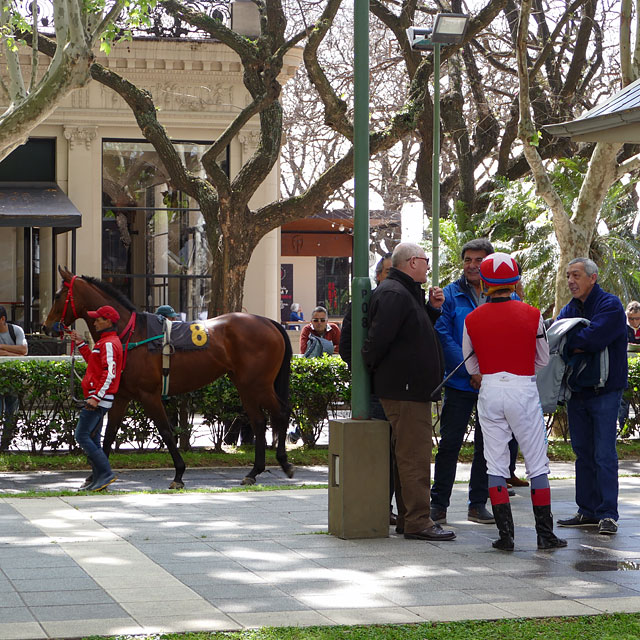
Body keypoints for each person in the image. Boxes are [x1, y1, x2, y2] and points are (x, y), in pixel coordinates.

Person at [462, 252, 566, 551]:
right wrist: (520, 371)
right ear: (515, 282)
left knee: (494, 463)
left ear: (484, 283)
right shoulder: (533, 315)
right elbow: (543, 358)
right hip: (522, 388)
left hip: (490, 389)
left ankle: (506, 536)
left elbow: (471, 366)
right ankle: (545, 535)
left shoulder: (472, 318)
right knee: (536, 463)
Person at [362, 242, 455, 541]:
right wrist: (373, 366)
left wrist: (432, 310)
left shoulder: (404, 293)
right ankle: (418, 520)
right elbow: (379, 340)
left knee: (409, 455)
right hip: (406, 391)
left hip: (409, 389)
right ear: (412, 262)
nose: (428, 266)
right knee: (414, 457)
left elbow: (409, 334)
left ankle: (409, 518)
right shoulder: (394, 293)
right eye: (425, 261)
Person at [555, 258, 627, 535]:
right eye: (568, 276)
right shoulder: (570, 308)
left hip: (606, 392)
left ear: (592, 278)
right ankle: (586, 510)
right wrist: (575, 342)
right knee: (582, 453)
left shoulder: (610, 305)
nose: (571, 280)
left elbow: (594, 339)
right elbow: (558, 339)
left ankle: (608, 513)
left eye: (576, 275)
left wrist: (575, 341)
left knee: (604, 453)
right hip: (577, 392)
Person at [430, 239, 496, 526]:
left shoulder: (502, 293)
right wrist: (472, 370)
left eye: (478, 260)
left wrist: (486, 372)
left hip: (492, 384)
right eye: (468, 259)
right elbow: (443, 335)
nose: (471, 265)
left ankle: (477, 504)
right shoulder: (450, 295)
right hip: (459, 383)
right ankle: (438, 505)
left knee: (487, 446)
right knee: (449, 446)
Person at [339, 253, 396, 524]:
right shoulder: (361, 304)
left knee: (397, 454)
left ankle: (393, 508)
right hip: (374, 391)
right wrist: (366, 374)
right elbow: (348, 348)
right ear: (377, 277)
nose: (392, 277)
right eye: (387, 272)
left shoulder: (408, 301)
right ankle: (377, 508)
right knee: (377, 452)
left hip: (401, 391)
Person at [68, 305, 123, 491]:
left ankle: (106, 474)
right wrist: (82, 344)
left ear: (108, 321)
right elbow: (95, 363)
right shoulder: (106, 342)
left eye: (98, 319)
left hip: (97, 399)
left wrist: (96, 397)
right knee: (93, 438)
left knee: (81, 435)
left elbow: (110, 373)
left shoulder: (108, 344)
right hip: (99, 397)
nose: (95, 322)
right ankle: (99, 479)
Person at [0, 306, 28, 450]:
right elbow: (20, 353)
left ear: (3, 319)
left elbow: (24, 350)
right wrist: (13, 353)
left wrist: (3, 351)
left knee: (11, 412)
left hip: (13, 378)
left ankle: (5, 443)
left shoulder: (16, 330)